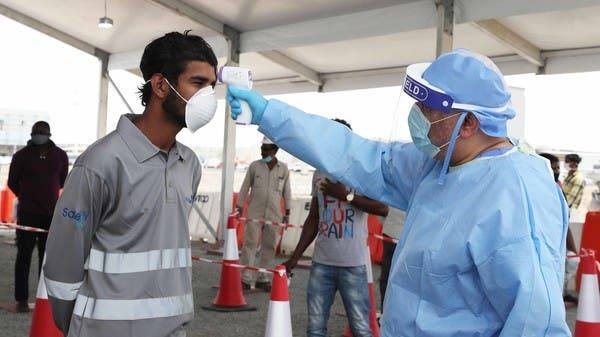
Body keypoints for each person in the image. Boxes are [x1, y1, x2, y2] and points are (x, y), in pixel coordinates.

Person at [227, 49, 570, 336]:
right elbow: (353, 153)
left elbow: (535, 323)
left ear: (468, 124)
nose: (417, 116)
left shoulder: (516, 194)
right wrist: (269, 114)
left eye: (429, 108)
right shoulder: (436, 162)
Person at [43, 31, 218, 337]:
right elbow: (62, 264)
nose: (209, 98)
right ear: (161, 85)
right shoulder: (100, 163)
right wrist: (80, 327)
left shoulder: (189, 164)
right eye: (198, 83)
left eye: (212, 86)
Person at [283, 118, 388, 337]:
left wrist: (346, 196)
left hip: (353, 265)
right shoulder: (319, 172)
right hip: (322, 263)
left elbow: (382, 207)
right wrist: (295, 256)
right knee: (315, 328)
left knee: (361, 329)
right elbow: (314, 218)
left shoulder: (360, 170)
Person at [7, 121, 68, 313]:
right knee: (23, 256)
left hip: (50, 214)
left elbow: (62, 181)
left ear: (49, 134)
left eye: (42, 132)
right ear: (32, 134)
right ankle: (22, 299)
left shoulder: (60, 155)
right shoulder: (21, 156)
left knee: (46, 258)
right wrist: (26, 197)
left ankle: (45, 298)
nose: (39, 135)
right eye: (37, 132)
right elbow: (12, 182)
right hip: (27, 214)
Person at [237, 136, 291, 291]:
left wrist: (288, 212)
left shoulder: (284, 169)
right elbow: (245, 186)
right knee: (250, 244)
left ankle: (263, 278)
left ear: (275, 150)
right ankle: (245, 279)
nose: (263, 152)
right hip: (255, 211)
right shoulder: (254, 166)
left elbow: (287, 192)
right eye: (262, 149)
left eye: (267, 149)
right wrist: (240, 205)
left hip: (274, 214)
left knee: (269, 246)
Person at [541, 152, 578, 305]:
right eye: (553, 168)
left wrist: (572, 248)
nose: (556, 171)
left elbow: (565, 221)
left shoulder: (557, 189)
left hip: (556, 244)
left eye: (557, 168)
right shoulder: (537, 190)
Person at [379, 207, 404, 312]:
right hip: (393, 230)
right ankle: (385, 315)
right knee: (387, 279)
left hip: (398, 229)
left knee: (396, 282)